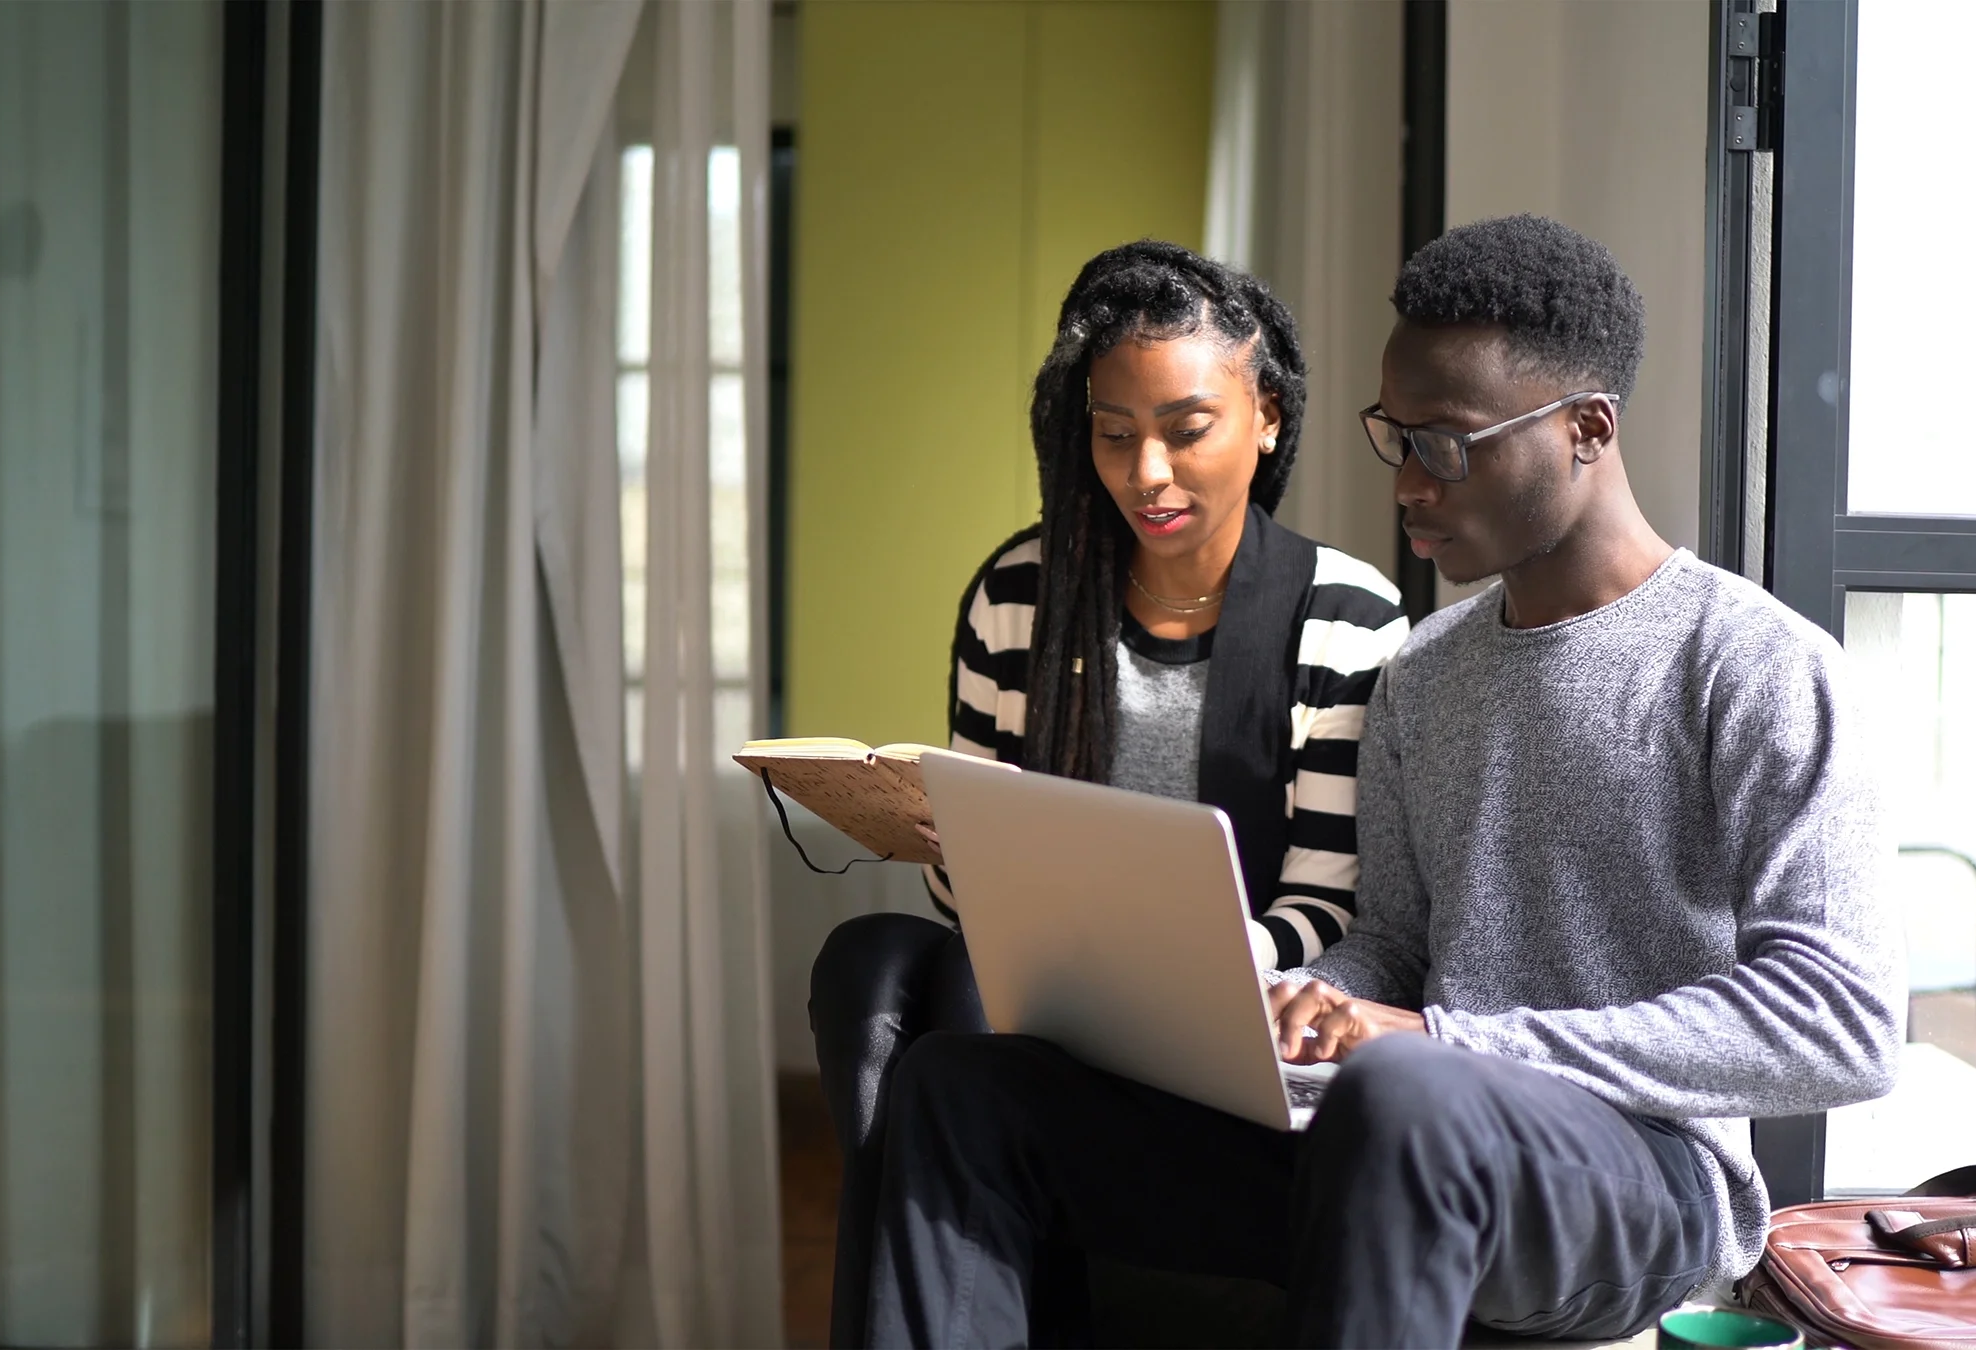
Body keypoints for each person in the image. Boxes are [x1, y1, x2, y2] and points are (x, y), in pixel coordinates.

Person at [863, 213, 1904, 1347]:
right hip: (1382, 1131)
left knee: (1406, 1097)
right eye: (1393, 437)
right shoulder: (1424, 673)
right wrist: (1309, 1007)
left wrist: (1441, 1044)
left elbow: (1842, 1023)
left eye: (1443, 445)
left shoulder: (1754, 666)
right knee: (961, 1092)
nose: (1407, 483)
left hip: (1640, 1173)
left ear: (1587, 429)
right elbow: (1394, 945)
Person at [807, 240, 1410, 1347]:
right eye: (1113, 433)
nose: (1148, 475)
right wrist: (953, 843)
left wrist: (1176, 970)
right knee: (883, 967)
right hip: (1041, 1001)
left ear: (1265, 415)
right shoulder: (1019, 593)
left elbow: (1331, 906)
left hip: (1232, 1019)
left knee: (952, 1058)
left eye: (1187, 431)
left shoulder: (1348, 616)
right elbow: (971, 903)